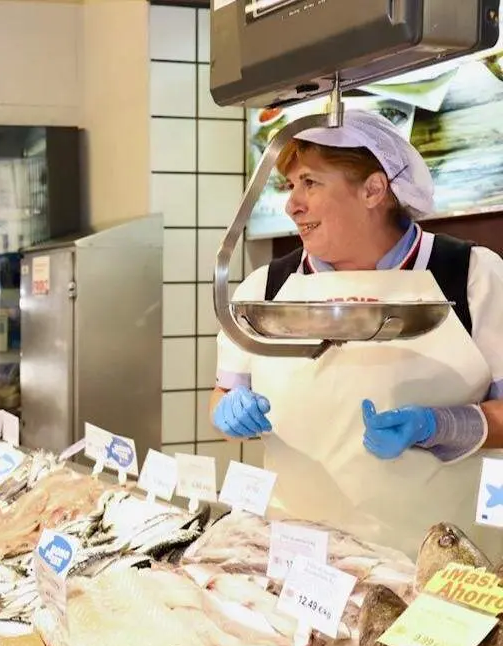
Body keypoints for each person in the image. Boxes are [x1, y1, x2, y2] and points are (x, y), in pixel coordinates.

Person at [211, 109, 503, 557]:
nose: (293, 204)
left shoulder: (471, 276)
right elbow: (223, 392)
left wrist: (440, 425)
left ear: (373, 189)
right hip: (300, 561)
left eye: (310, 182)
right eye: (291, 186)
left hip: (441, 563)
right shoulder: (265, 289)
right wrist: (229, 411)